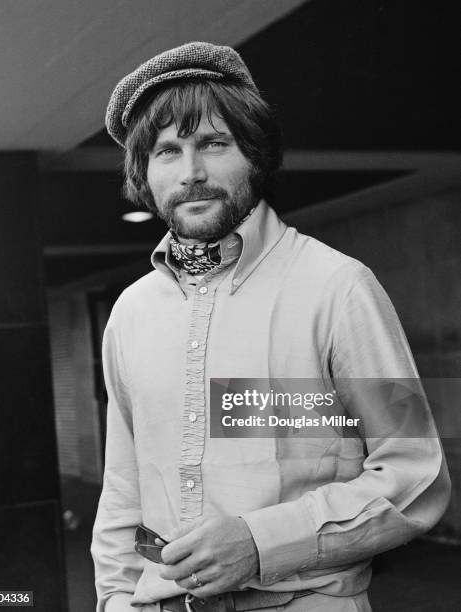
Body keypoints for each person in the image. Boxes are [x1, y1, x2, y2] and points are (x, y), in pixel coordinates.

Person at [91, 42, 451, 612]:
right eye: (167, 151)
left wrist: (260, 544)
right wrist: (113, 599)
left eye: (213, 143)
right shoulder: (131, 312)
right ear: (145, 173)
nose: (193, 173)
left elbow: (415, 477)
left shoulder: (339, 287)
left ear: (254, 154)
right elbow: (122, 487)